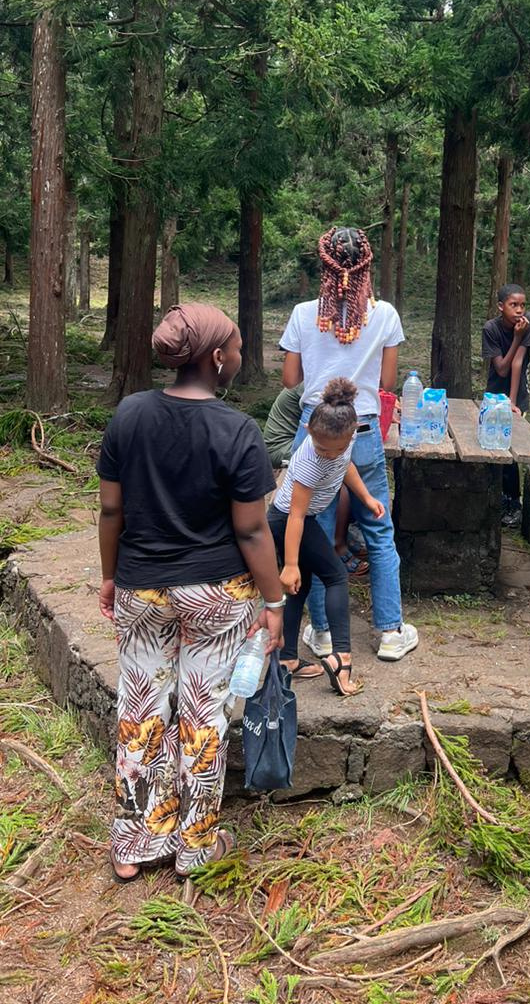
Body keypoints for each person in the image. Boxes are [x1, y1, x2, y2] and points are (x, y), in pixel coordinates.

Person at [97, 304, 284, 882]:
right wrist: (274, 602)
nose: (237, 353)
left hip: (142, 589)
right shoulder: (238, 432)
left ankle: (136, 842)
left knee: (141, 708)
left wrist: (110, 574)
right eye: (234, 344)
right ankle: (194, 845)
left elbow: (111, 508)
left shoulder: (129, 415)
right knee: (203, 714)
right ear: (215, 358)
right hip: (215, 595)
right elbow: (253, 529)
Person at [280, 226, 418, 662]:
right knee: (378, 527)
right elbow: (388, 382)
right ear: (366, 266)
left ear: (325, 266)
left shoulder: (305, 314)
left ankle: (321, 633)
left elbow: (290, 380)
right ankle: (391, 631)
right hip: (362, 428)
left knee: (315, 533)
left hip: (315, 429)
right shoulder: (386, 315)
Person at [271, 378, 381, 694]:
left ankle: (286, 658)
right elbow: (294, 515)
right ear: (308, 431)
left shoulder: (341, 445)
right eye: (322, 448)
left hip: (303, 521)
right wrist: (289, 564)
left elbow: (347, 468)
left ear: (352, 434)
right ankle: (341, 659)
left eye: (337, 448)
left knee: (299, 590)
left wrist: (366, 498)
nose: (329, 455)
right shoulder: (310, 459)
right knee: (336, 576)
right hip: (288, 522)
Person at [481, 283, 530, 527]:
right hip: (494, 394)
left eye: (522, 305)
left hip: (517, 395)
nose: (519, 310)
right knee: (490, 446)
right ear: (500, 306)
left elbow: (517, 364)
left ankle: (514, 503)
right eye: (513, 305)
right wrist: (516, 337)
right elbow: (502, 368)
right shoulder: (491, 328)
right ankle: (494, 499)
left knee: (511, 449)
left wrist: (512, 403)